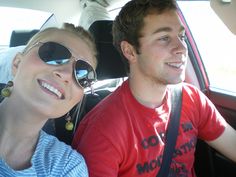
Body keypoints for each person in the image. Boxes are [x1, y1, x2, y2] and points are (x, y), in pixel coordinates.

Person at [72, 0, 236, 176]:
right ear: (130, 51)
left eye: (181, 37)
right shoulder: (102, 130)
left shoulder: (192, 99)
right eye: (164, 38)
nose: (181, 48)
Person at [0, 23, 97, 176]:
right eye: (54, 54)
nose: (65, 74)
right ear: (17, 63)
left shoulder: (68, 166)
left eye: (82, 74)